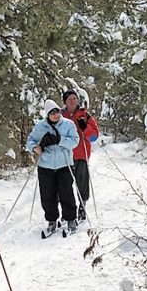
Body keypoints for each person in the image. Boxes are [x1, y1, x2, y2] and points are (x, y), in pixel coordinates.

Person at [25, 98, 79, 235]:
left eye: (57, 112)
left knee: (66, 193)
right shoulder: (40, 126)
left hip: (64, 164)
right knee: (48, 195)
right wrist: (35, 148)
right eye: (52, 113)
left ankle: (71, 218)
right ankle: (51, 220)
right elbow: (30, 141)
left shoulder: (68, 124)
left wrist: (59, 140)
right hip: (46, 166)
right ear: (47, 114)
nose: (55, 115)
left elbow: (75, 142)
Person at [61, 88, 99, 221]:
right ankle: (68, 211)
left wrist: (85, 128)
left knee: (81, 184)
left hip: (81, 155)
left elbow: (94, 137)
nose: (72, 101)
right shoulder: (60, 115)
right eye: (69, 99)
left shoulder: (85, 115)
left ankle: (82, 207)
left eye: (74, 98)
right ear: (65, 102)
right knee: (64, 186)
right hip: (64, 156)